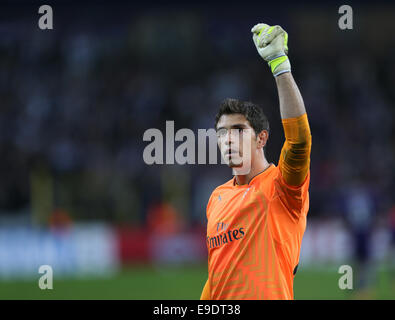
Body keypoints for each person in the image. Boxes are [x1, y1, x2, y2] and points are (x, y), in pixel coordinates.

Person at [200, 23, 312, 300]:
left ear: (261, 139)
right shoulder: (217, 197)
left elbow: (298, 143)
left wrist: (280, 66)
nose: (228, 139)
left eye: (238, 130)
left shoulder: (282, 188)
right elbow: (217, 275)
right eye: (222, 133)